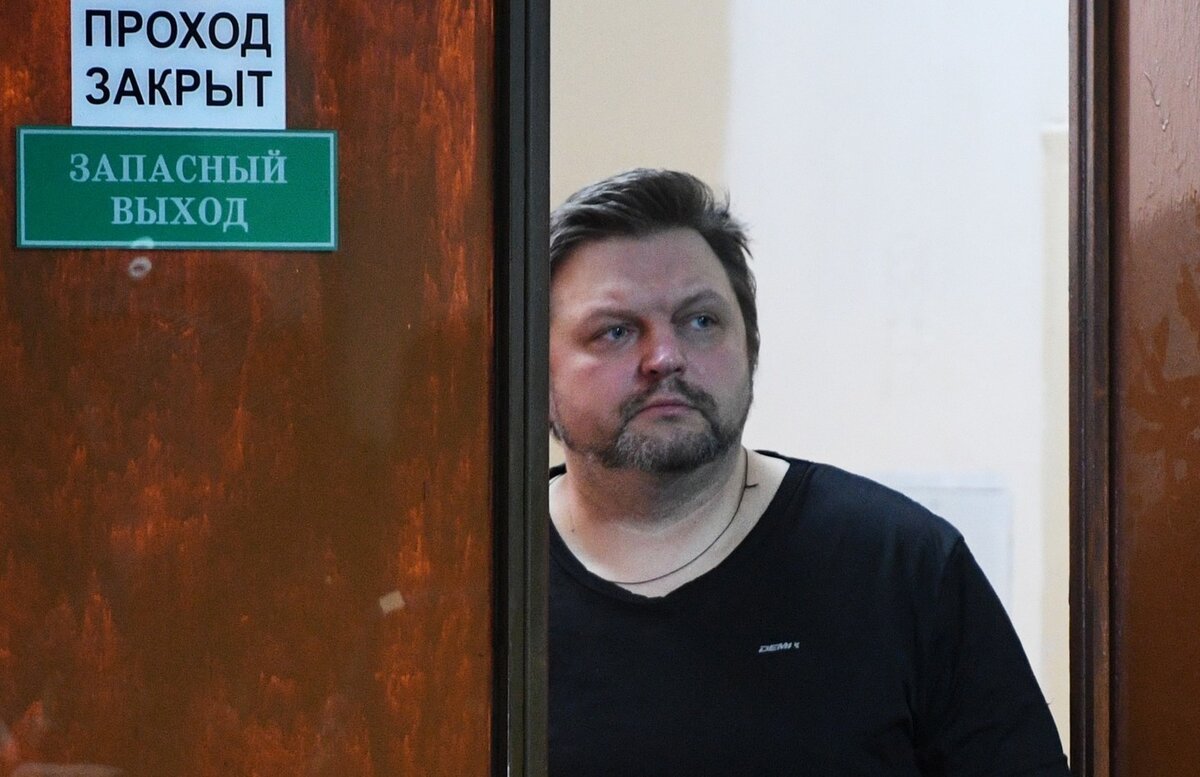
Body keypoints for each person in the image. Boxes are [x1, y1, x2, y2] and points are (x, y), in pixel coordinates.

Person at [546, 168, 1070, 775]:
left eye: (701, 321)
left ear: (751, 345)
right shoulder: (478, 580)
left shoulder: (900, 565)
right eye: (614, 331)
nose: (665, 357)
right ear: (535, 369)